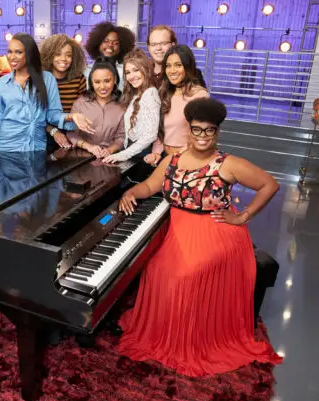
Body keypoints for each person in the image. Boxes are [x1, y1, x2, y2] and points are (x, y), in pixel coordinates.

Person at [117, 98, 283, 376]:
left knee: (188, 274)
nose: (202, 136)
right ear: (189, 131)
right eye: (197, 129)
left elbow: (270, 184)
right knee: (156, 267)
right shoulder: (174, 159)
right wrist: (131, 192)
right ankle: (164, 331)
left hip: (216, 231)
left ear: (217, 132)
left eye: (209, 130)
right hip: (178, 228)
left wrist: (243, 216)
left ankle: (189, 339)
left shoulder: (228, 164)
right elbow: (149, 185)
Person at [0, 33, 94, 152]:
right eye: (9, 52)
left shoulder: (47, 79)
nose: (11, 57)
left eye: (18, 52)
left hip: (36, 147)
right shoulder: (2, 82)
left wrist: (72, 116)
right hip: (6, 147)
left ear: (29, 54)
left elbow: (52, 115)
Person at [146, 44, 208, 166]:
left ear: (188, 67)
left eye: (178, 65)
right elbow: (160, 130)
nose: (172, 71)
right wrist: (156, 153)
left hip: (189, 160)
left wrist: (180, 156)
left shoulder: (200, 95)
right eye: (168, 66)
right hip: (165, 158)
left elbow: (202, 135)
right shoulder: (164, 93)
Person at [103, 49, 160, 164]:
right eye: (128, 72)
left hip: (141, 155)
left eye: (136, 70)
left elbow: (150, 135)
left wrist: (122, 155)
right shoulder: (137, 94)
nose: (131, 76)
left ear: (146, 69)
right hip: (132, 152)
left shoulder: (150, 93)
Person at [67, 59, 125, 159]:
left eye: (107, 81)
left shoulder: (122, 105)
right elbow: (71, 133)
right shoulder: (81, 103)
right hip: (81, 158)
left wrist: (110, 150)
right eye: (97, 82)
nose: (102, 87)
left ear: (114, 80)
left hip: (110, 158)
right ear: (91, 83)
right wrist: (89, 147)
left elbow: (121, 137)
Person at [40, 34, 87, 150]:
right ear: (49, 56)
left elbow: (82, 110)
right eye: (57, 54)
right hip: (45, 130)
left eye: (68, 55)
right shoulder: (41, 80)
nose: (63, 59)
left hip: (72, 130)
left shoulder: (79, 79)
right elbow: (37, 116)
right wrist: (54, 132)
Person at [147, 25, 206, 89]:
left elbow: (202, 97)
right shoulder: (142, 72)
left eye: (163, 43)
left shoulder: (192, 73)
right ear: (149, 47)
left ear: (173, 45)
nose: (158, 48)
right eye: (153, 44)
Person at [84, 21, 136, 90]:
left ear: (121, 47)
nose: (110, 45)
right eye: (106, 41)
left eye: (116, 43)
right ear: (97, 44)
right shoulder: (87, 71)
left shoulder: (126, 70)